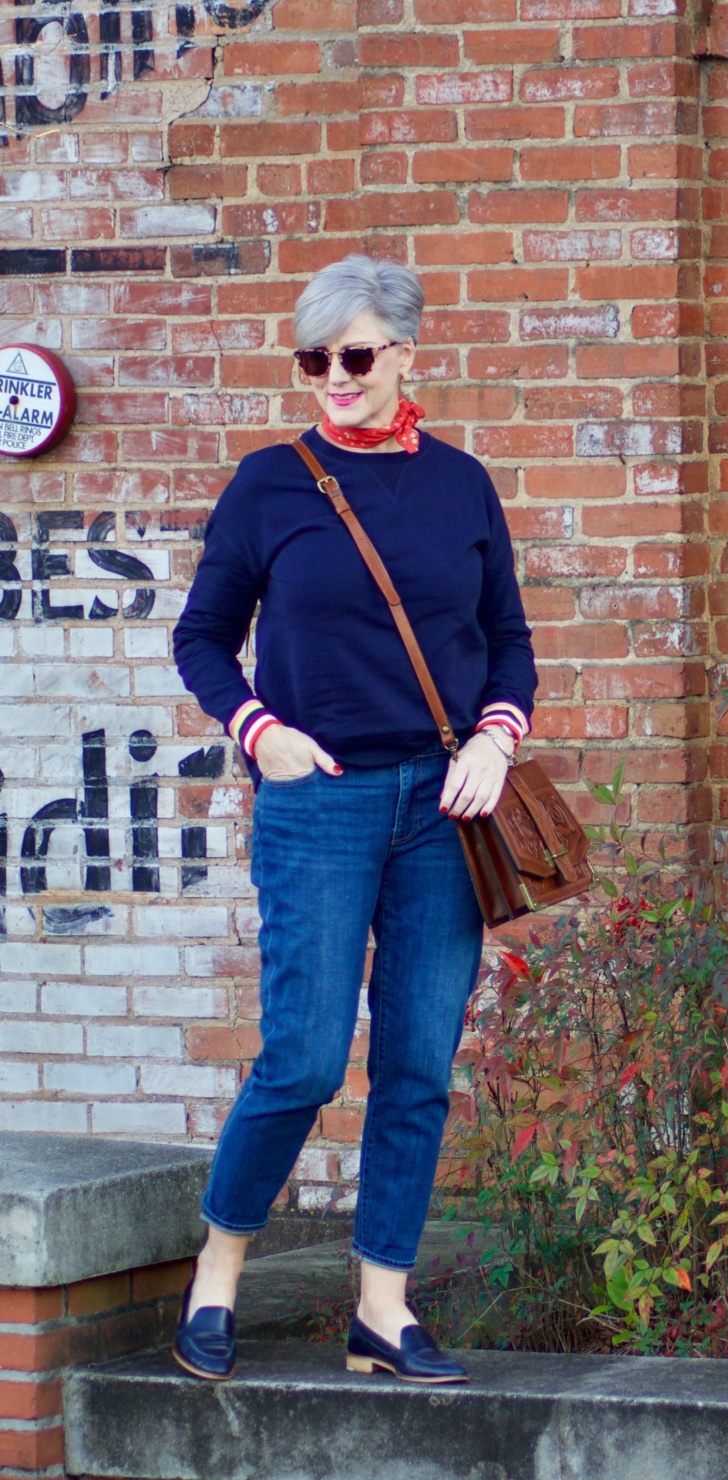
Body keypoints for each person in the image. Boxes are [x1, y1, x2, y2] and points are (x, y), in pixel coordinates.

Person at [171, 254, 536, 1384]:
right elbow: (200, 634)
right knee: (304, 1058)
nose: (334, 375)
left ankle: (382, 1306)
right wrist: (255, 728)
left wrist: (494, 736)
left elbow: (508, 639)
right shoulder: (270, 484)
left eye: (357, 355)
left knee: (421, 1062)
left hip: (440, 806)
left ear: (406, 358)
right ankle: (219, 1272)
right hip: (314, 804)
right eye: (315, 357)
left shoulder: (461, 486)